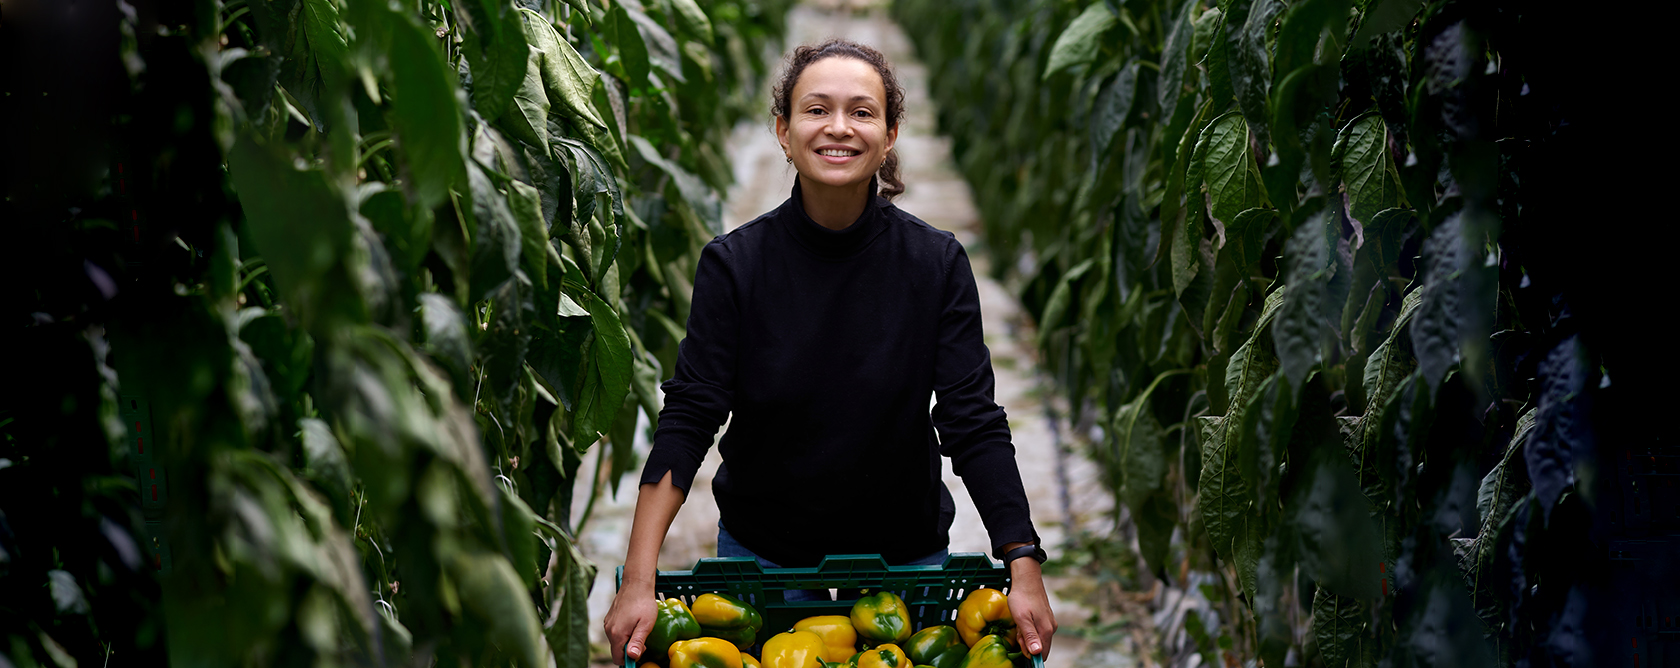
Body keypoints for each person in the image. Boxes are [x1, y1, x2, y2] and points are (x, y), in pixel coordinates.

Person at [603, 38, 1056, 665]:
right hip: (765, 559)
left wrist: (1022, 561)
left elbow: (972, 420)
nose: (838, 127)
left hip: (903, 564)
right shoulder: (735, 267)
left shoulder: (935, 264)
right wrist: (638, 577)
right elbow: (689, 419)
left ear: (891, 133)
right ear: (784, 132)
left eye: (862, 112)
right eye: (816, 110)